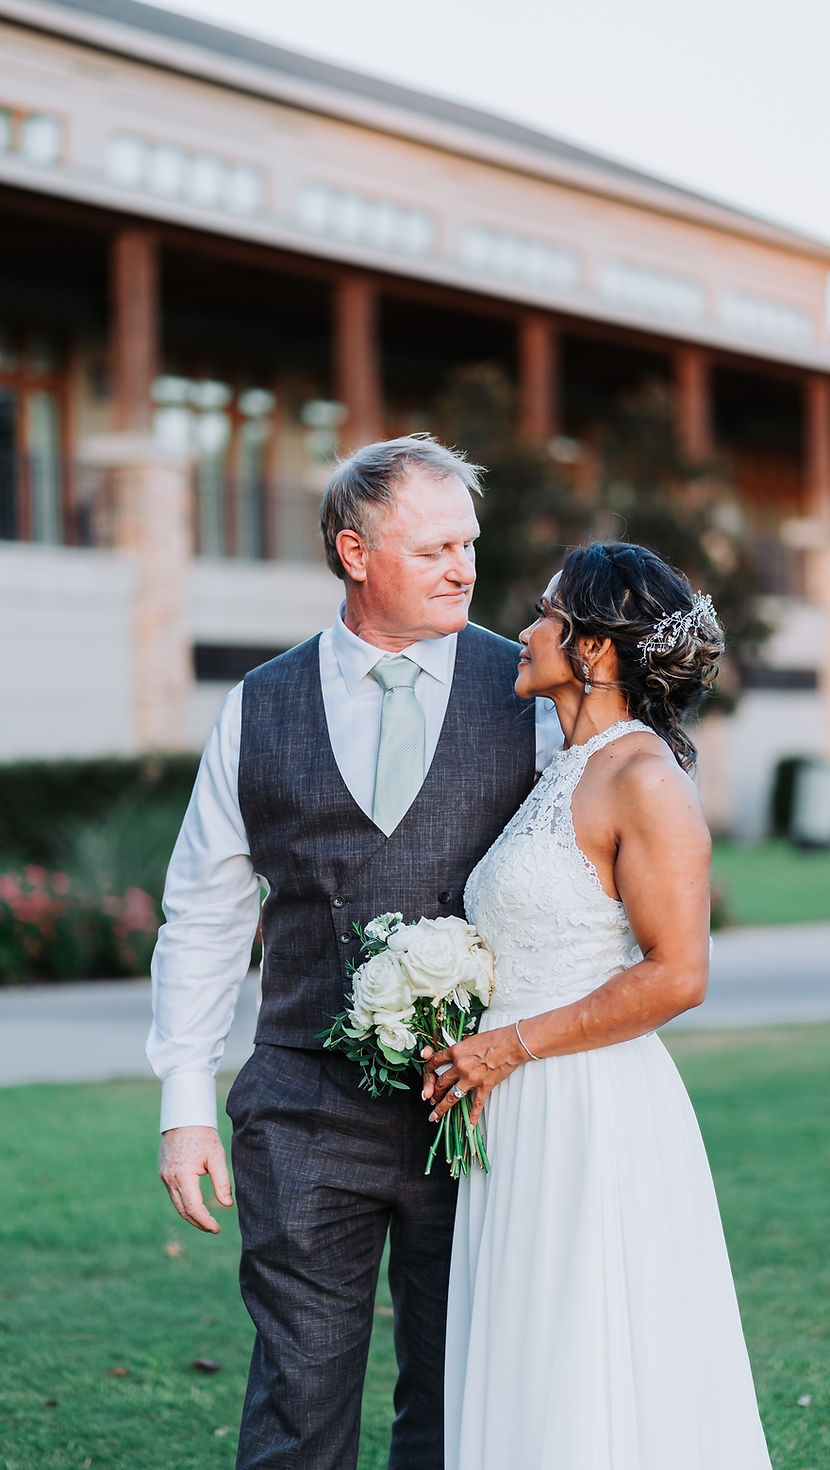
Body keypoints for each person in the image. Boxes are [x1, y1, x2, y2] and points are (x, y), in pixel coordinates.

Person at [147, 433, 561, 1470]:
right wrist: (185, 1103)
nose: (464, 567)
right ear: (353, 553)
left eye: (468, 543)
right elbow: (201, 910)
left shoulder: (531, 695)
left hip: (475, 1110)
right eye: (432, 550)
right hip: (299, 1108)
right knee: (299, 1395)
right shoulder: (260, 704)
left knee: (457, 1394)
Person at [424, 541, 773, 1469]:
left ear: (596, 651)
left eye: (547, 613)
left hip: (585, 1103)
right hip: (522, 1102)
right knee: (529, 1346)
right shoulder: (563, 768)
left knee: (584, 1348)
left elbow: (677, 974)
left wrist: (508, 1047)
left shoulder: (645, 780)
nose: (527, 630)